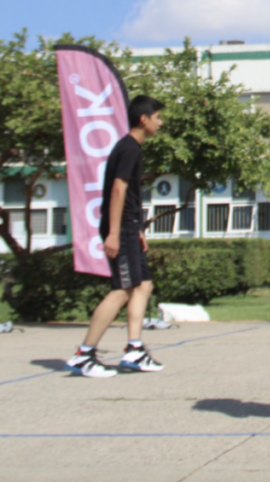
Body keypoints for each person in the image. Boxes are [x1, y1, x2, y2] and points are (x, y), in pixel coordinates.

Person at [65, 95, 166, 378]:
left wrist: (138, 229)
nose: (161, 122)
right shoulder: (129, 149)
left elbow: (129, 194)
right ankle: (84, 355)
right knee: (121, 290)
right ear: (143, 119)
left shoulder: (131, 148)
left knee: (143, 285)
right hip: (119, 228)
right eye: (158, 117)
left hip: (129, 226)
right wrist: (114, 233)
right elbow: (118, 191)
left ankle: (134, 350)